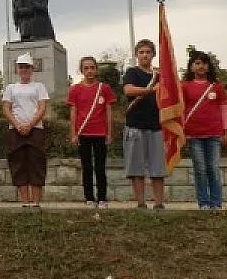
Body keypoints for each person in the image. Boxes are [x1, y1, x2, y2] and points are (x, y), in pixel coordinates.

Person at [182, 50, 227, 210]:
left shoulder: (217, 87)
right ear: (191, 67)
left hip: (214, 134)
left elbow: (224, 109)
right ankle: (203, 203)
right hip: (193, 135)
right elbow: (180, 111)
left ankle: (216, 203)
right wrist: (181, 132)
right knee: (200, 170)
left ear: (209, 67)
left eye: (203, 63)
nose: (200, 66)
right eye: (197, 63)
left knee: (214, 169)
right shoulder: (185, 87)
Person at [67, 56, 117, 209]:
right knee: (86, 167)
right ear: (81, 70)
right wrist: (73, 134)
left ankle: (102, 198)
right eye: (86, 68)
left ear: (96, 69)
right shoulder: (75, 89)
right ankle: (89, 198)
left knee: (100, 167)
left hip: (100, 133)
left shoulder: (104, 88)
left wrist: (109, 133)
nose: (89, 71)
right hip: (83, 134)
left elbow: (108, 111)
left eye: (92, 67)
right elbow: (73, 112)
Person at [122, 39, 166, 210]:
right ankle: (141, 203)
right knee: (136, 168)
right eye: (141, 52)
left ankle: (159, 203)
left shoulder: (160, 75)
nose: (145, 55)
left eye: (148, 52)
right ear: (136, 55)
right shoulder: (132, 72)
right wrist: (151, 90)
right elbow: (129, 90)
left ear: (153, 54)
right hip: (135, 125)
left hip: (157, 125)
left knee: (158, 169)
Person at [1, 53, 49, 207]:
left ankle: (35, 202)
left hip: (35, 130)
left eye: (27, 67)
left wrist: (30, 124)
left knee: (36, 163)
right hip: (16, 130)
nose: (24, 70)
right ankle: (24, 201)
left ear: (32, 69)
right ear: (17, 69)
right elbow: (6, 108)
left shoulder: (39, 86)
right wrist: (16, 124)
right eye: (21, 67)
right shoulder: (11, 88)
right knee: (18, 163)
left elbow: (42, 107)